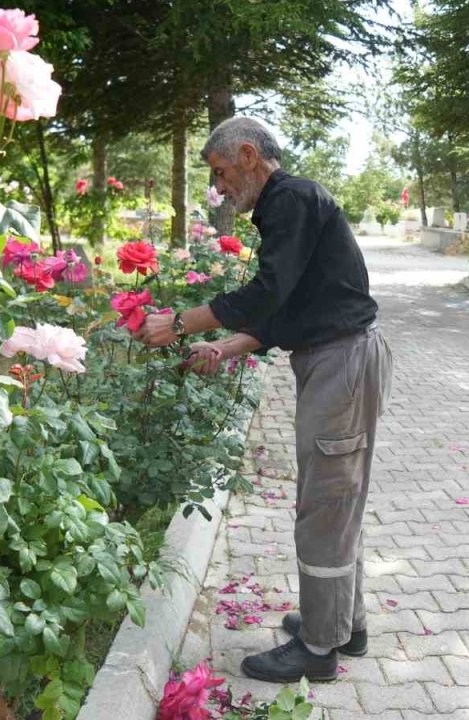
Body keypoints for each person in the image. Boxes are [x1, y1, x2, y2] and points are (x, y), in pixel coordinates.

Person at [132, 117, 392, 683]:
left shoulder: (289, 199)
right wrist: (226, 346)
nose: (219, 187)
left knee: (325, 505)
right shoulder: (292, 203)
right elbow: (290, 306)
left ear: (249, 155)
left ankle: (320, 649)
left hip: (340, 363)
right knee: (336, 500)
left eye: (221, 173)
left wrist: (180, 323)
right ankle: (348, 623)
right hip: (339, 358)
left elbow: (266, 293)